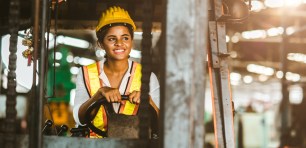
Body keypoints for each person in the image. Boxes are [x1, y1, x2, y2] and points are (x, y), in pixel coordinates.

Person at [72, 6, 160, 138]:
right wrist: (98, 96)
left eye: (125, 38)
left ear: (131, 43)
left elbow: (159, 123)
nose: (119, 43)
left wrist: (148, 101)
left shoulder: (148, 77)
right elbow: (80, 119)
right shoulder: (85, 73)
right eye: (112, 39)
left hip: (133, 145)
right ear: (101, 44)